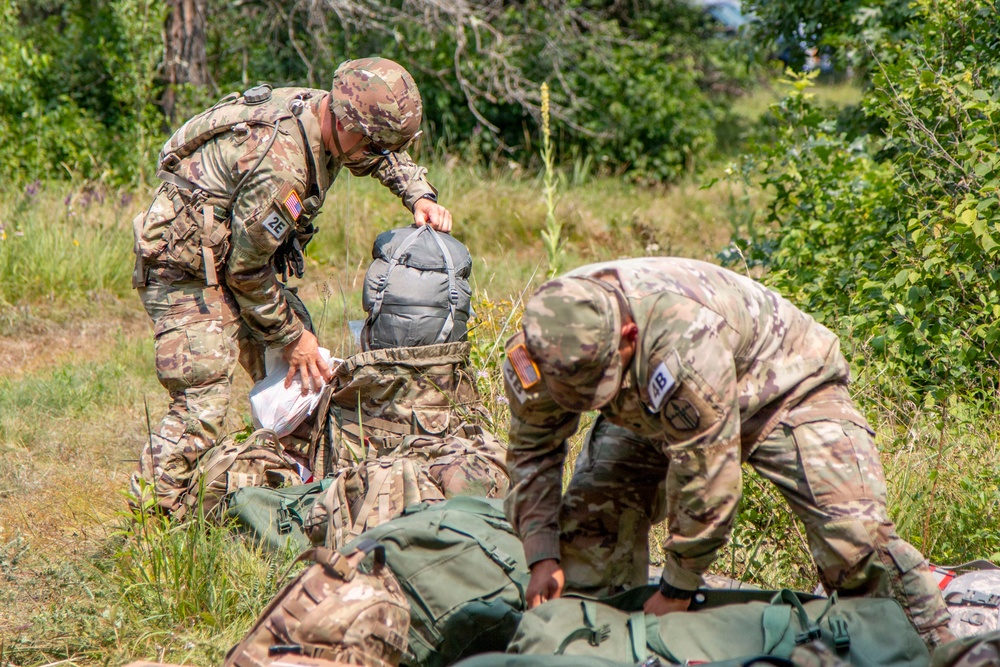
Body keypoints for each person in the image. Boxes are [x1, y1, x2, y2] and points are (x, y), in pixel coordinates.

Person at [501, 257, 953, 648]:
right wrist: (542, 556)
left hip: (786, 388)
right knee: (590, 529)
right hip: (653, 406)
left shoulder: (683, 339)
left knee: (855, 540)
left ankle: (931, 648)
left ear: (627, 335)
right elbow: (532, 453)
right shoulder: (541, 349)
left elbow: (707, 477)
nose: (587, 397)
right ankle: (604, 647)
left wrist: (677, 589)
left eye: (599, 382)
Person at [130, 57, 453, 512]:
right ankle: (152, 524)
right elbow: (246, 272)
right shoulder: (283, 169)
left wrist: (417, 192)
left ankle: (299, 487)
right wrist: (291, 336)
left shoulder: (331, 111)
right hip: (184, 271)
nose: (379, 157)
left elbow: (385, 154)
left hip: (234, 255)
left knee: (305, 376)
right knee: (200, 404)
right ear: (349, 127)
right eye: (374, 147)